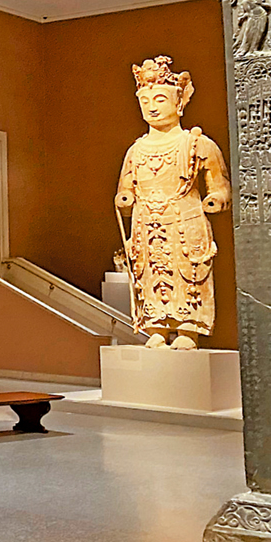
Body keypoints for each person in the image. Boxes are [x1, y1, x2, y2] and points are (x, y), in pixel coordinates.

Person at [115, 56, 231, 350]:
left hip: (185, 223)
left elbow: (220, 186)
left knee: (189, 275)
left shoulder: (198, 144)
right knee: (149, 273)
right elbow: (125, 190)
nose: (152, 107)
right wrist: (125, 199)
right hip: (146, 225)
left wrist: (216, 200)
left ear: (179, 103)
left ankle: (188, 330)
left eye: (160, 99)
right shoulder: (136, 150)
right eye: (145, 101)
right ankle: (156, 326)